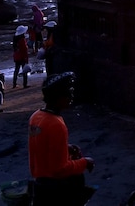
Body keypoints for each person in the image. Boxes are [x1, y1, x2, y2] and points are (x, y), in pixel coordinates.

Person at [28, 71, 96, 206]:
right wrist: (85, 162)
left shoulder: (36, 117)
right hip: (56, 190)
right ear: (57, 97)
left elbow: (41, 146)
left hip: (40, 183)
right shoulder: (57, 124)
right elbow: (59, 169)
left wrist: (65, 148)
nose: (72, 96)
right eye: (68, 93)